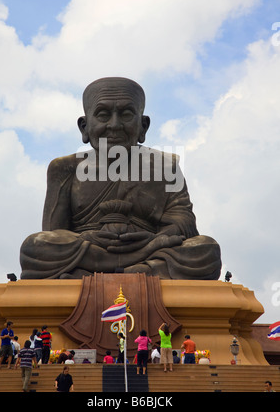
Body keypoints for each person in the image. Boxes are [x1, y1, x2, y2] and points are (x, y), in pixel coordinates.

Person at [20, 77, 221, 281]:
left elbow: (185, 224)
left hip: (149, 248)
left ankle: (96, 275)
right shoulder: (65, 168)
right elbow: (54, 232)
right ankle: (140, 273)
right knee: (35, 246)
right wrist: (87, 238)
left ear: (143, 126)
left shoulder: (165, 166)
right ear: (84, 127)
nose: (115, 125)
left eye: (126, 114)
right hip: (92, 250)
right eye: (103, 115)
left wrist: (154, 240)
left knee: (206, 248)